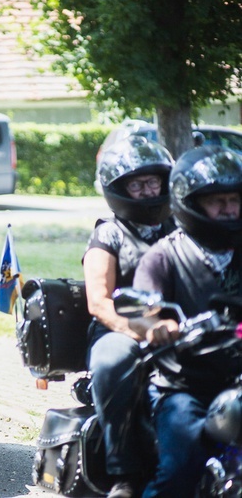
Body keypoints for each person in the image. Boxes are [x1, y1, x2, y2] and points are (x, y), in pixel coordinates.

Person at [130, 146, 242, 497]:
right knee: (179, 471)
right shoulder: (163, 256)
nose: (228, 208)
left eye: (234, 199)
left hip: (237, 376)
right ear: (190, 203)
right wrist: (158, 327)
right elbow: (141, 315)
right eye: (216, 201)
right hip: (183, 383)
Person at [82, 136, 176, 498]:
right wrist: (141, 331)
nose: (148, 191)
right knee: (112, 364)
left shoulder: (181, 226)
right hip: (117, 328)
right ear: (119, 189)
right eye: (137, 184)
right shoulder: (108, 231)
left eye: (154, 182)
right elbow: (99, 302)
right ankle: (123, 473)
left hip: (175, 323)